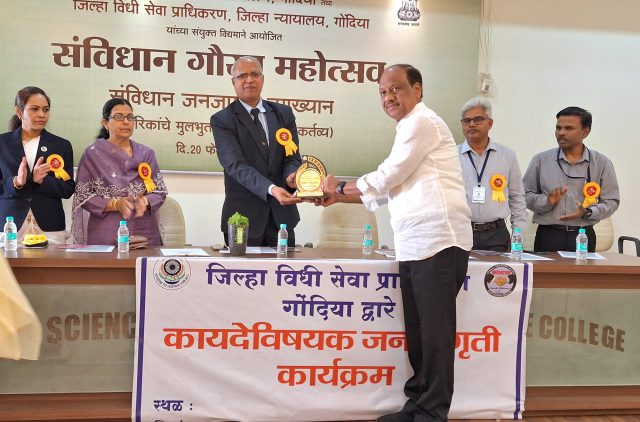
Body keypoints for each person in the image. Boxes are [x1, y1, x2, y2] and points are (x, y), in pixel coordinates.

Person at [321, 64, 472, 422]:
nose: (388, 97)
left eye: (396, 88)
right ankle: (418, 404)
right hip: (415, 245)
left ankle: (433, 413)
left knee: (435, 336)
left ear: (417, 90)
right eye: (382, 92)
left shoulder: (422, 122)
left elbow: (388, 175)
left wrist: (338, 186)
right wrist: (338, 197)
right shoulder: (407, 128)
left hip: (439, 242)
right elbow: (387, 189)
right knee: (418, 332)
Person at [211, 56, 302, 247]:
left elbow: (292, 156)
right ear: (233, 82)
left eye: (255, 74)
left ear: (263, 79)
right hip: (243, 219)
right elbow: (236, 165)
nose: (249, 80)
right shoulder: (223, 120)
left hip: (282, 218)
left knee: (286, 267)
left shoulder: (283, 113)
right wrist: (271, 189)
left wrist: (292, 176)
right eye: (242, 76)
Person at [71, 98, 167, 245]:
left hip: (144, 230)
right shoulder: (92, 154)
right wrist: (115, 204)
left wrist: (146, 201)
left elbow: (159, 192)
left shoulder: (146, 153)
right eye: (119, 117)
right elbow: (83, 196)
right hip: (106, 231)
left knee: (145, 260)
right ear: (105, 123)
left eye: (130, 117)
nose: (126, 122)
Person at [523, 106, 619, 252]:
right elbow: (525, 195)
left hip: (583, 235)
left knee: (582, 269)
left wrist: (587, 212)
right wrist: (547, 201)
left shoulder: (602, 163)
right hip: (549, 235)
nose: (561, 133)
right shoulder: (541, 160)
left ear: (585, 132)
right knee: (546, 269)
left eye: (568, 128)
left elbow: (611, 201)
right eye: (558, 128)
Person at [0, 86, 75, 244]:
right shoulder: (2, 143)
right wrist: (16, 182)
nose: (42, 114)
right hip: (9, 225)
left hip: (50, 226)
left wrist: (41, 181)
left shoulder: (61, 145)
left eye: (45, 110)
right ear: (19, 112)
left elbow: (68, 189)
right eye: (34, 109)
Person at [458, 97, 527, 251]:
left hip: (496, 234)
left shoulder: (507, 155)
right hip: (461, 232)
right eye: (466, 121)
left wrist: (518, 235)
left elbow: (517, 197)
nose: (472, 124)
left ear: (490, 123)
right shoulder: (451, 156)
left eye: (478, 119)